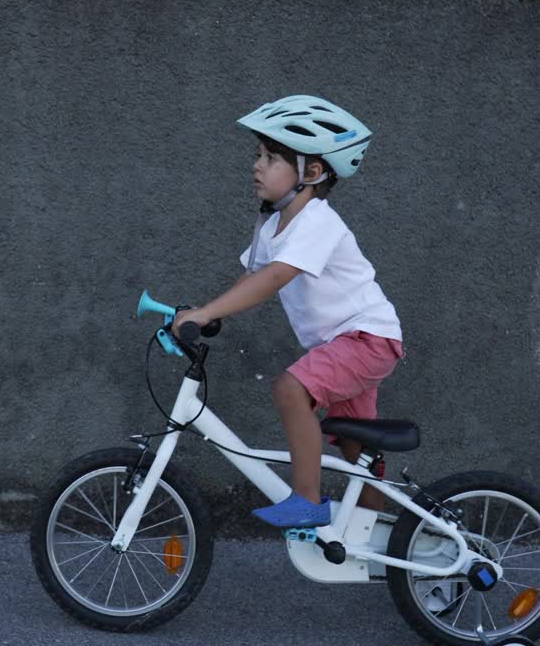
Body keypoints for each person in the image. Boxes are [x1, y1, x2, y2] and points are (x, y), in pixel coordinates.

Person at [171, 95, 404, 529]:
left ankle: (306, 499)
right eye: (258, 155)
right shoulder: (272, 224)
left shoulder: (317, 220)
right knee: (356, 445)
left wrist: (205, 315)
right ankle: (381, 533)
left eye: (272, 157)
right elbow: (252, 276)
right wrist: (208, 311)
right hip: (348, 342)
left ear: (311, 173)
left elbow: (274, 278)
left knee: (290, 389)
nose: (257, 165)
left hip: (367, 338)